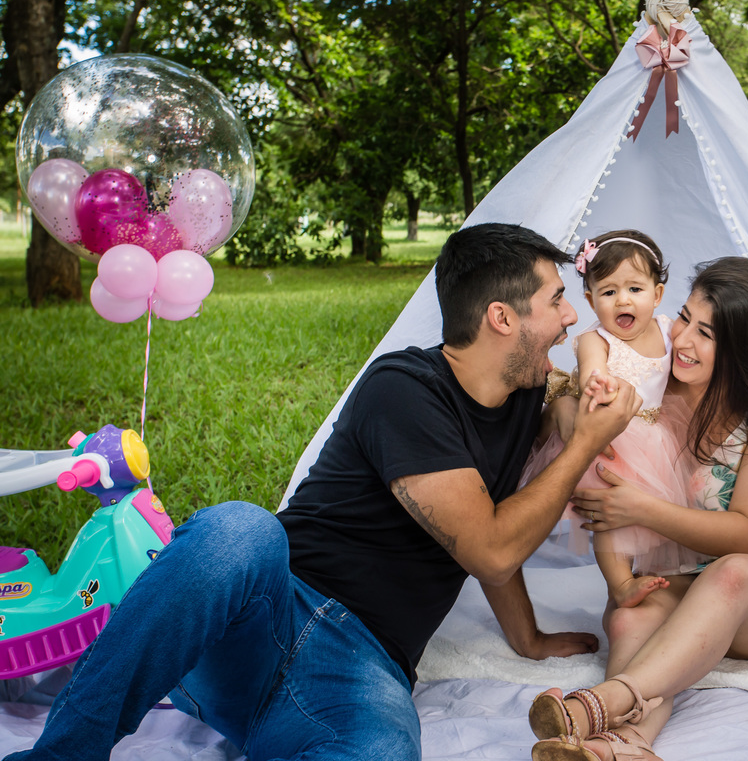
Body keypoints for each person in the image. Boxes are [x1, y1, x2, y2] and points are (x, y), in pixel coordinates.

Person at [4, 223, 640, 761]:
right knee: (240, 529)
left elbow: (498, 502)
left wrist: (527, 640)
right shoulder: (403, 387)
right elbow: (491, 549)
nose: (571, 314)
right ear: (502, 317)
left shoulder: (524, 396)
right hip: (267, 610)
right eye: (557, 299)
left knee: (383, 751)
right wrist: (582, 444)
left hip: (361, 670)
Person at [526, 257, 748, 761]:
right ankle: (622, 744)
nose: (683, 339)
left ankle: (600, 703)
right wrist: (566, 406)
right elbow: (579, 402)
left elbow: (746, 536)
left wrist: (639, 508)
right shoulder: (660, 384)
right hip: (687, 578)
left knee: (733, 573)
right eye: (685, 317)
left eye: (707, 333)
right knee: (627, 617)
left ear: (744, 347)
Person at [523, 230, 703, 609]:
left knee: (655, 515)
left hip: (656, 435)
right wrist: (599, 384)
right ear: (590, 300)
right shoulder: (596, 339)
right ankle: (619, 584)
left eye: (635, 289)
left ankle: (659, 575)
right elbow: (592, 371)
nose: (623, 299)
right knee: (610, 515)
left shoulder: (669, 330)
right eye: (608, 292)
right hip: (613, 435)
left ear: (657, 295)